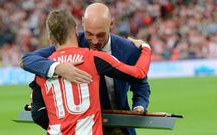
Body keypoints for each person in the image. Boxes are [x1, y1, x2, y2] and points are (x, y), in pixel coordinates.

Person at [21, 3, 151, 135]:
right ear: (82, 23)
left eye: (100, 35)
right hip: (90, 127)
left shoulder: (128, 49)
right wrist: (58, 68)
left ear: (111, 24)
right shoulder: (73, 44)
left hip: (119, 125)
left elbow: (140, 82)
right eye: (89, 34)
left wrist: (139, 105)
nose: (94, 41)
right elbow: (27, 60)